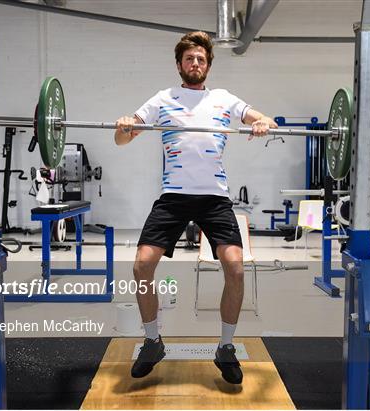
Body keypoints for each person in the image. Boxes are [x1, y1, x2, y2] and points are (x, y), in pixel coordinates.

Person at [115, 31, 277, 385]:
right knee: (142, 266)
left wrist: (262, 122)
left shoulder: (223, 99)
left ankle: (226, 346)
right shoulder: (163, 99)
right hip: (173, 195)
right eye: (189, 59)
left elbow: (266, 120)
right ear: (179, 65)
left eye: (201, 59)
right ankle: (152, 340)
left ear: (208, 65)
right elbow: (121, 139)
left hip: (215, 197)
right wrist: (126, 124)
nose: (195, 63)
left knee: (235, 268)